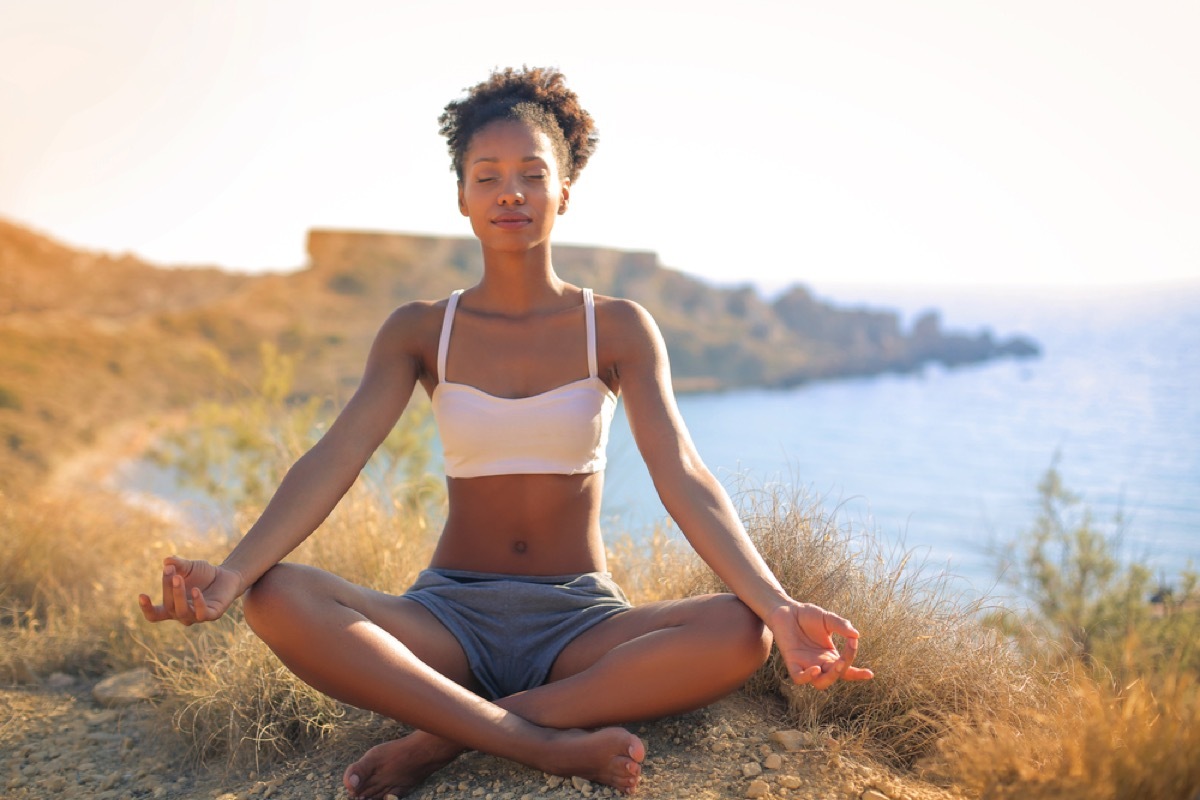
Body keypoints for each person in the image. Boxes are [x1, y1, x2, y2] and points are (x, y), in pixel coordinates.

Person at [139, 66, 873, 799]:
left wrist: (778, 604)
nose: (510, 192)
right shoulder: (422, 330)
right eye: (486, 176)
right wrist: (233, 575)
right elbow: (337, 456)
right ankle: (545, 746)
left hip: (579, 625)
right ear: (462, 197)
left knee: (741, 634)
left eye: (532, 173)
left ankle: (438, 741)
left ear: (564, 191)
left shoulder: (615, 328)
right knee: (277, 598)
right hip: (445, 621)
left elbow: (681, 472)